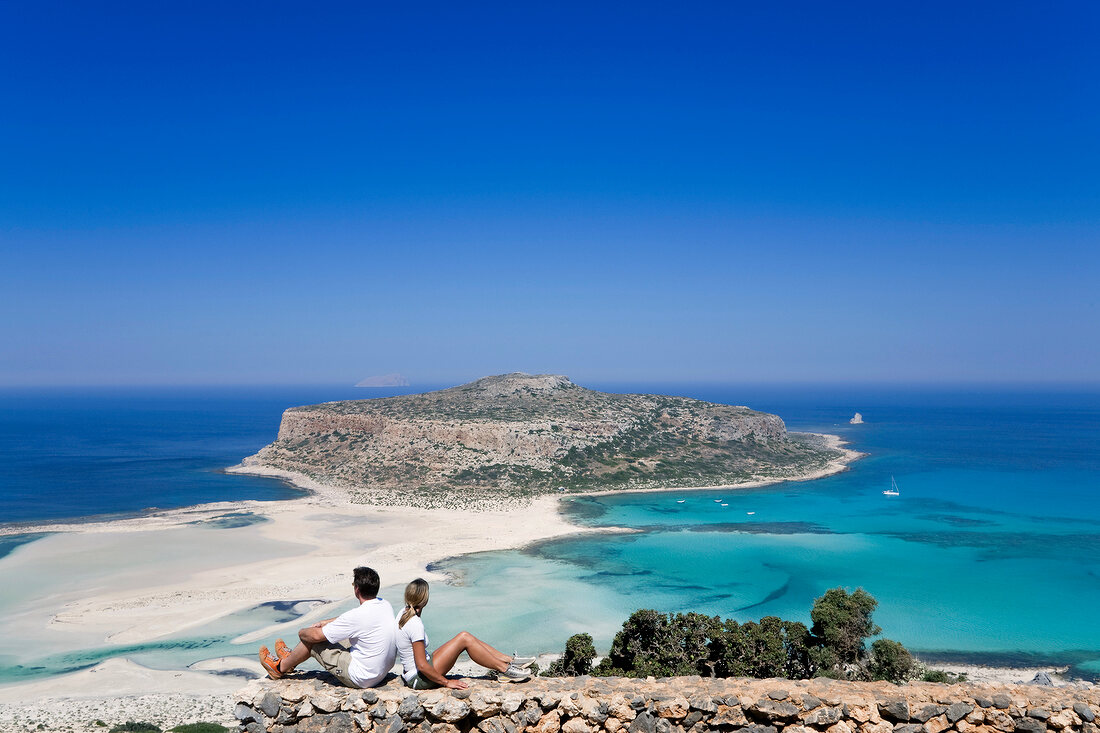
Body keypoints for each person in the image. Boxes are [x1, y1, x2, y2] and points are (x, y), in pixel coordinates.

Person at [259, 566, 397, 688]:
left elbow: (315, 636)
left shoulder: (357, 616)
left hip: (361, 677)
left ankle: (279, 668)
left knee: (312, 641)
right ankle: (291, 659)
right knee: (335, 636)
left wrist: (302, 632)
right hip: (379, 672)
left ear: (357, 589)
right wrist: (326, 622)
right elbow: (351, 621)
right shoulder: (384, 604)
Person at [396, 578, 532, 689]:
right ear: (424, 599)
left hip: (415, 672)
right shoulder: (415, 623)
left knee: (466, 637)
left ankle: (509, 660)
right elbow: (421, 665)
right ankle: (506, 670)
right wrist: (446, 682)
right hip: (419, 678)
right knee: (464, 638)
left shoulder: (403, 613)